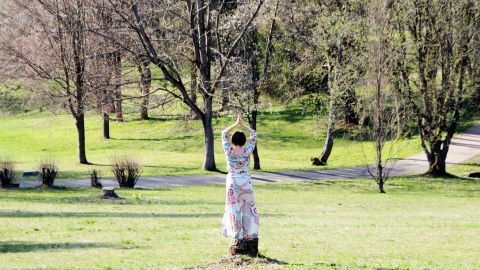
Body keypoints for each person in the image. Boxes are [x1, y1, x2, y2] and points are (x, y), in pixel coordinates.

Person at [220, 115, 259, 242]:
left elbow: (224, 133)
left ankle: (237, 234)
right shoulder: (247, 150)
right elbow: (254, 134)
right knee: (248, 206)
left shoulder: (228, 151)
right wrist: (244, 126)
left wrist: (236, 124)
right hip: (246, 182)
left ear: (233, 141)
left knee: (234, 208)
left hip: (233, 182)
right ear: (243, 141)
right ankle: (248, 233)